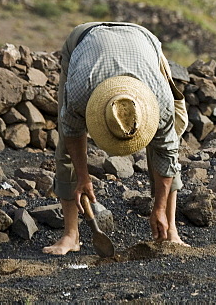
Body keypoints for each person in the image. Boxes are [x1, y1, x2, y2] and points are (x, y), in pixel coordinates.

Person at [42, 22, 188, 256]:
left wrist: (158, 207)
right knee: (65, 146)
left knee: (168, 141)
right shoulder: (81, 91)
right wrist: (83, 178)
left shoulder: (160, 102)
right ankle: (71, 235)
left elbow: (167, 152)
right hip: (86, 39)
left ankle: (170, 229)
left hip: (142, 38)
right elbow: (71, 133)